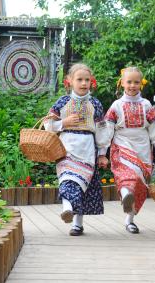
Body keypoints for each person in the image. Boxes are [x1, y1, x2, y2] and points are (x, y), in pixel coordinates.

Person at [98, 66, 155, 234]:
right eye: (129, 82)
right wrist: (102, 153)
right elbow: (107, 129)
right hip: (122, 145)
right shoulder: (116, 105)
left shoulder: (146, 105)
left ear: (141, 84)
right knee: (126, 175)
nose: (132, 85)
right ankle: (126, 195)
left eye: (136, 82)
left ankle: (130, 219)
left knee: (140, 184)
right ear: (122, 83)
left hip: (142, 148)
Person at [43, 63, 105, 236]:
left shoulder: (95, 104)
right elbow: (48, 125)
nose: (84, 83)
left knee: (82, 185)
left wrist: (102, 154)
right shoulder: (62, 102)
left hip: (87, 149)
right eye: (79, 79)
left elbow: (102, 130)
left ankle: (77, 224)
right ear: (69, 81)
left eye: (87, 80)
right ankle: (67, 208)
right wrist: (64, 123)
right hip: (66, 148)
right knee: (67, 180)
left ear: (91, 82)